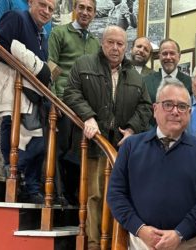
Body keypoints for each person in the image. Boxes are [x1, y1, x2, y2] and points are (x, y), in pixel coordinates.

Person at [63, 25, 152, 250]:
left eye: (120, 44)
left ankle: (114, 243)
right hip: (95, 146)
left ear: (126, 47)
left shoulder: (134, 75)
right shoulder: (84, 64)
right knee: (93, 196)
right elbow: (70, 92)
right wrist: (88, 117)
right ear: (102, 43)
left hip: (122, 150)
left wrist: (132, 129)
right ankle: (94, 245)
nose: (115, 47)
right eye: (110, 42)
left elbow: (145, 107)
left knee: (119, 198)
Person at [107, 79, 196, 250]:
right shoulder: (131, 146)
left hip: (185, 243)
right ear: (155, 109)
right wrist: (140, 229)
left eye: (181, 107)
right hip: (140, 242)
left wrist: (179, 233)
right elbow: (116, 194)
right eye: (168, 104)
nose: (175, 111)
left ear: (189, 112)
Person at [0, 0, 56, 203]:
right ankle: (15, 175)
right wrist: (32, 64)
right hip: (13, 92)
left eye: (51, 8)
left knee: (37, 142)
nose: (46, 11)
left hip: (32, 97)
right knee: (15, 134)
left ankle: (29, 184)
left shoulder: (42, 33)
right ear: (31, 3)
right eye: (42, 5)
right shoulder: (17, 17)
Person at [48, 0, 100, 205]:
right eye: (81, 7)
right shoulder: (59, 33)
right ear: (75, 9)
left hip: (84, 106)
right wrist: (54, 100)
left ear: (94, 13)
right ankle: (58, 195)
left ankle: (72, 197)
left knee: (79, 152)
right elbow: (50, 64)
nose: (85, 12)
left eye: (89, 9)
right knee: (60, 150)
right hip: (62, 101)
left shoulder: (96, 42)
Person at [144, 38, 192, 103]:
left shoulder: (190, 83)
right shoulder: (146, 82)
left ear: (179, 56)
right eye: (164, 54)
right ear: (159, 56)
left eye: (172, 53)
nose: (168, 57)